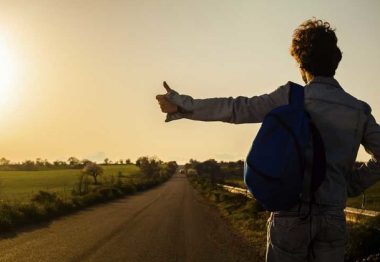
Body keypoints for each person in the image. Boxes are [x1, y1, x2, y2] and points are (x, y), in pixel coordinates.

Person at [155, 18, 380, 262]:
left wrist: (183, 105)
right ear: (336, 60)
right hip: (333, 218)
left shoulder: (291, 97)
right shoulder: (358, 109)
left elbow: (236, 109)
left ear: (300, 62)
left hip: (290, 216)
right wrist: (352, 185)